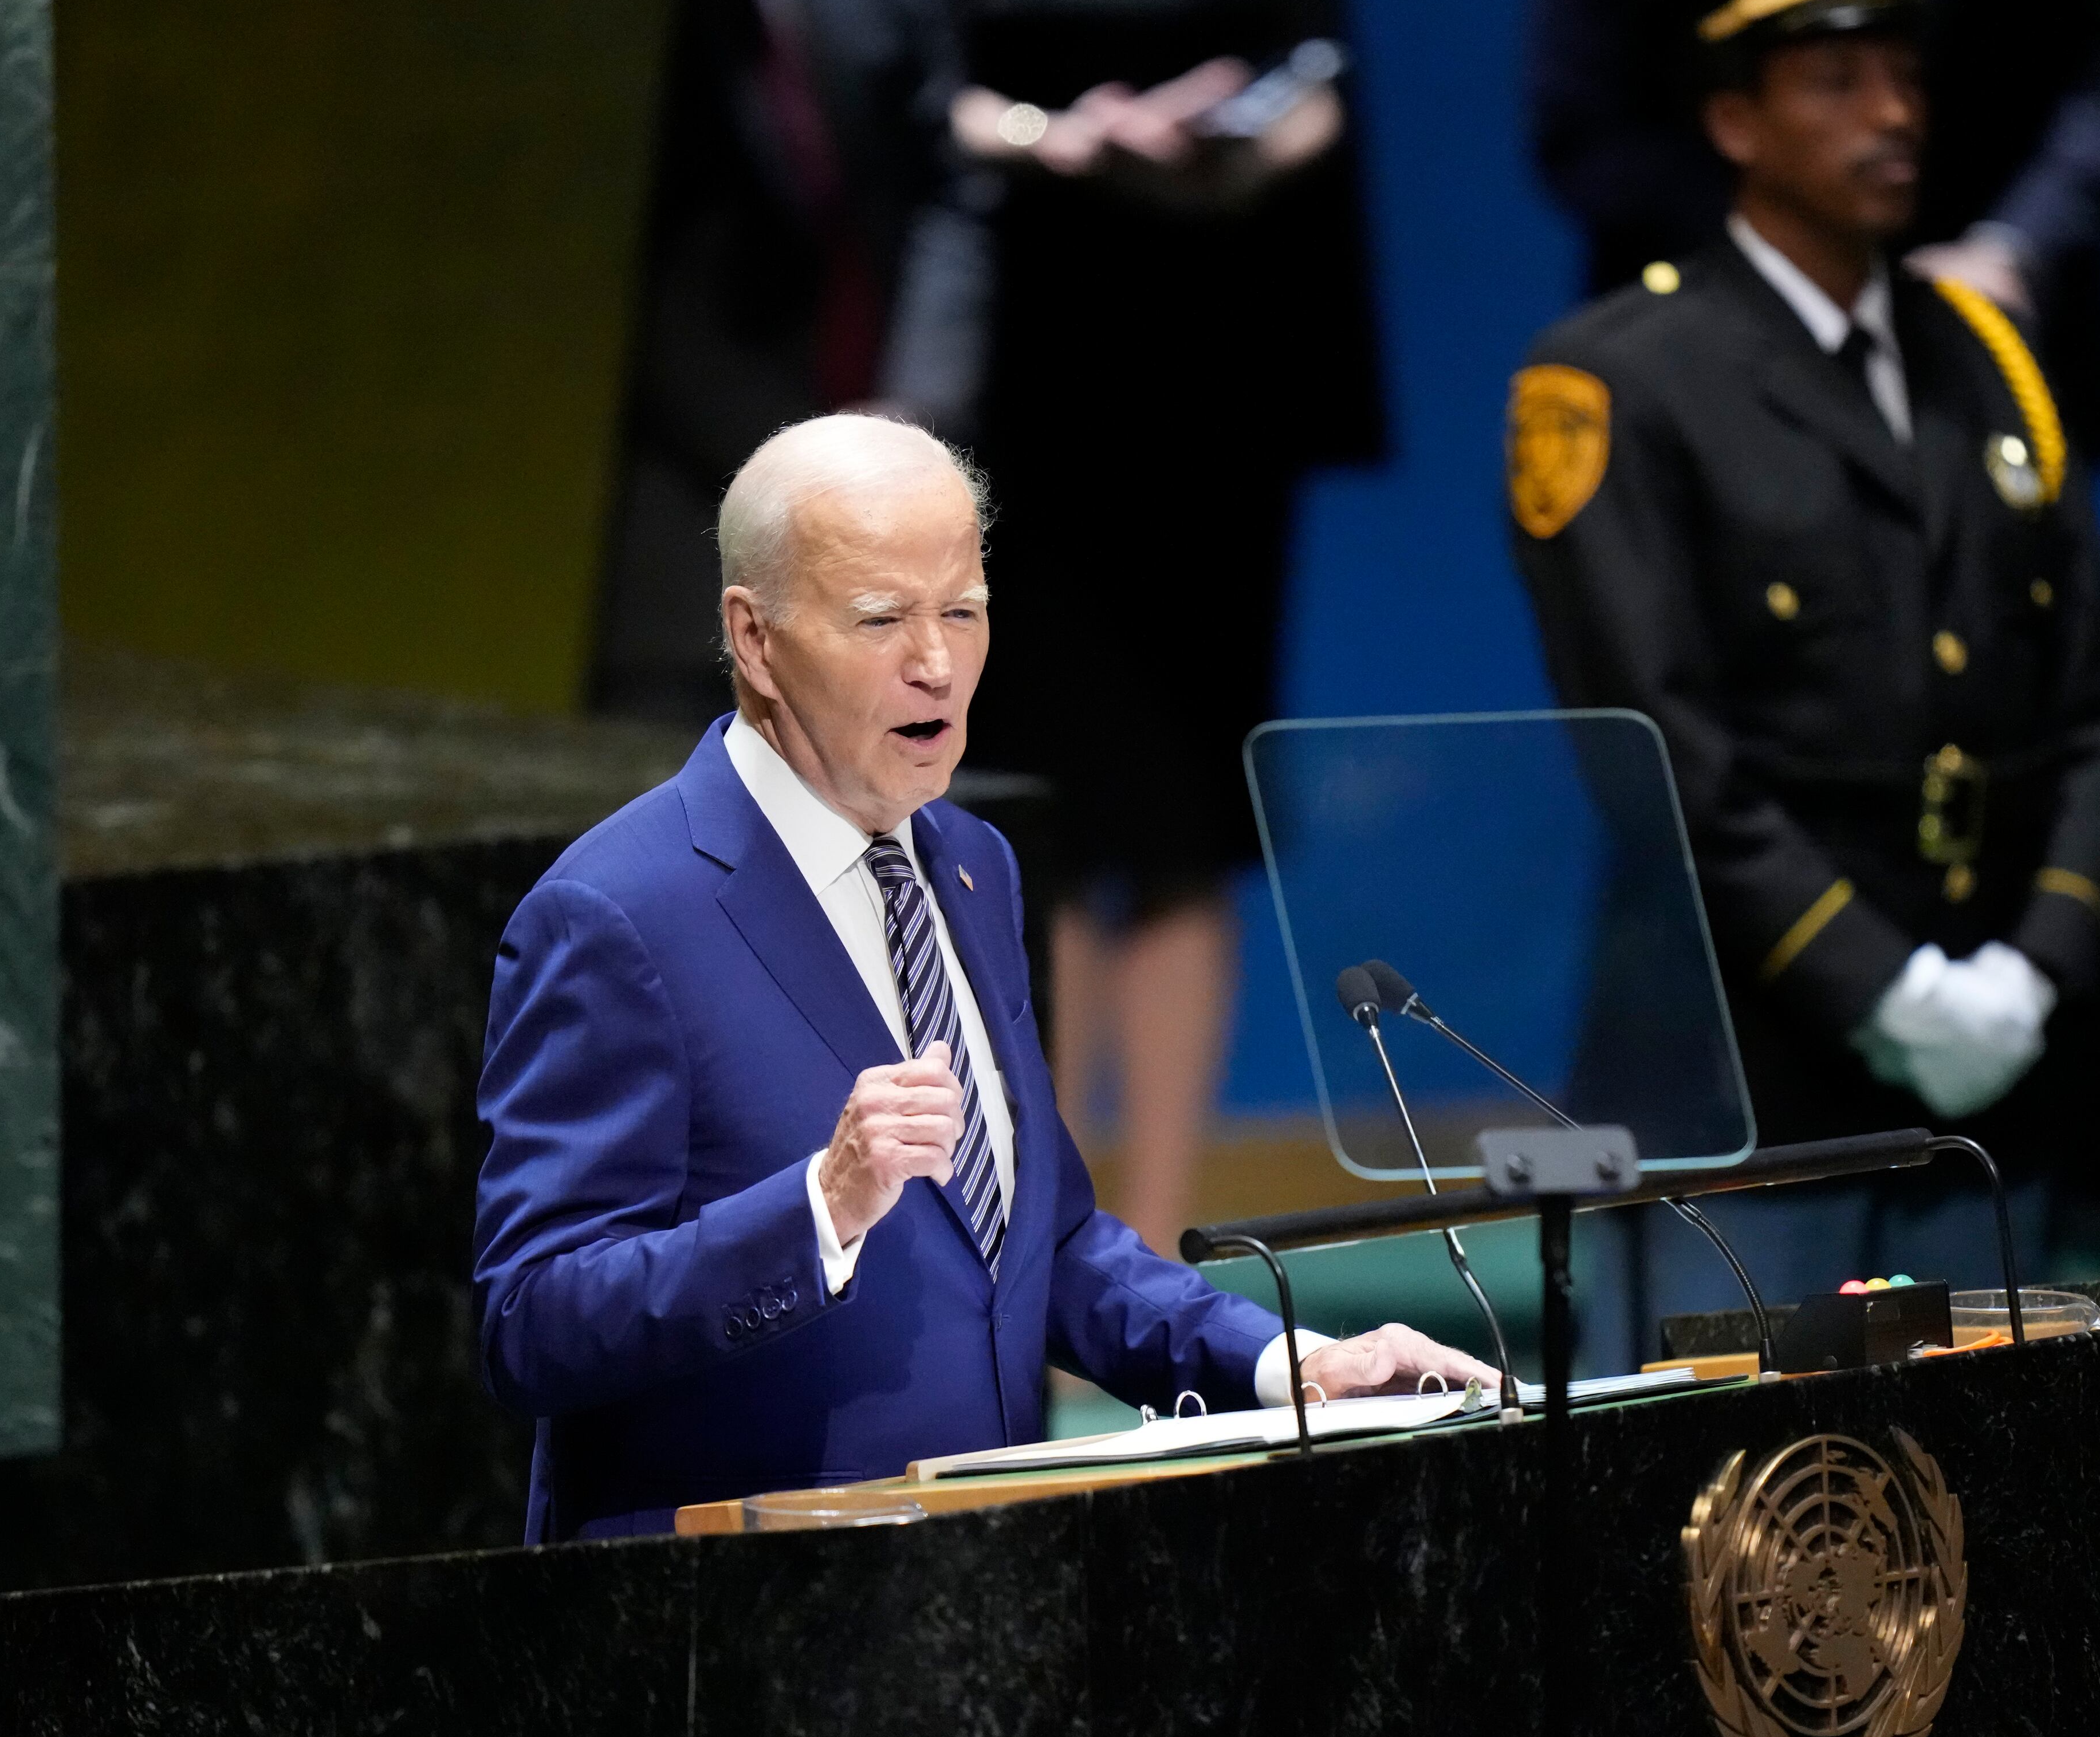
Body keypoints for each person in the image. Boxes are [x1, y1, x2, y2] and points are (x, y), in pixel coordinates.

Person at [477, 416, 1485, 1538]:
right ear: (754, 640)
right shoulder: (618, 913)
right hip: (727, 1635)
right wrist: (820, 1208)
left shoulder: (972, 864)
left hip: (980, 1617)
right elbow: (533, 1321)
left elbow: (1037, 1242)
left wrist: (1287, 1364)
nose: (938, 663)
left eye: (963, 609)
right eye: (882, 619)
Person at [1505, 0, 2100, 1291]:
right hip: (1748, 1071)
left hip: (1996, 1062)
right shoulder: (1619, 381)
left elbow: (2095, 703)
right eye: (1837, 82)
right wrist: (1882, 986)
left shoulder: (1987, 358)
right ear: (1734, 121)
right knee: (1743, 1487)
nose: (1894, 115)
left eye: (1907, 80)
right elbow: (1660, 754)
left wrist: (2035, 966)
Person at [932, 0, 1387, 1254]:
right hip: (1027, 369)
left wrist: (1233, 149)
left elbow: (1317, 84)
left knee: (1187, 825)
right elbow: (907, 97)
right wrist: (1050, 135)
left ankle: (1167, 1237)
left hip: (1213, 382)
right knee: (1041, 824)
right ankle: (1051, 1250)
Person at [1527, 0, 2100, 459]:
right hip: (1710, 371)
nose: (1891, 114)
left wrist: (2009, 251)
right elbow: (1587, 124)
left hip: (1976, 373)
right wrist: (1795, 271)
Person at [587, 0, 985, 726]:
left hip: (874, 477)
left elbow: (947, 180)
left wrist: (916, 410)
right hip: (653, 503)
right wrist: (802, 463)